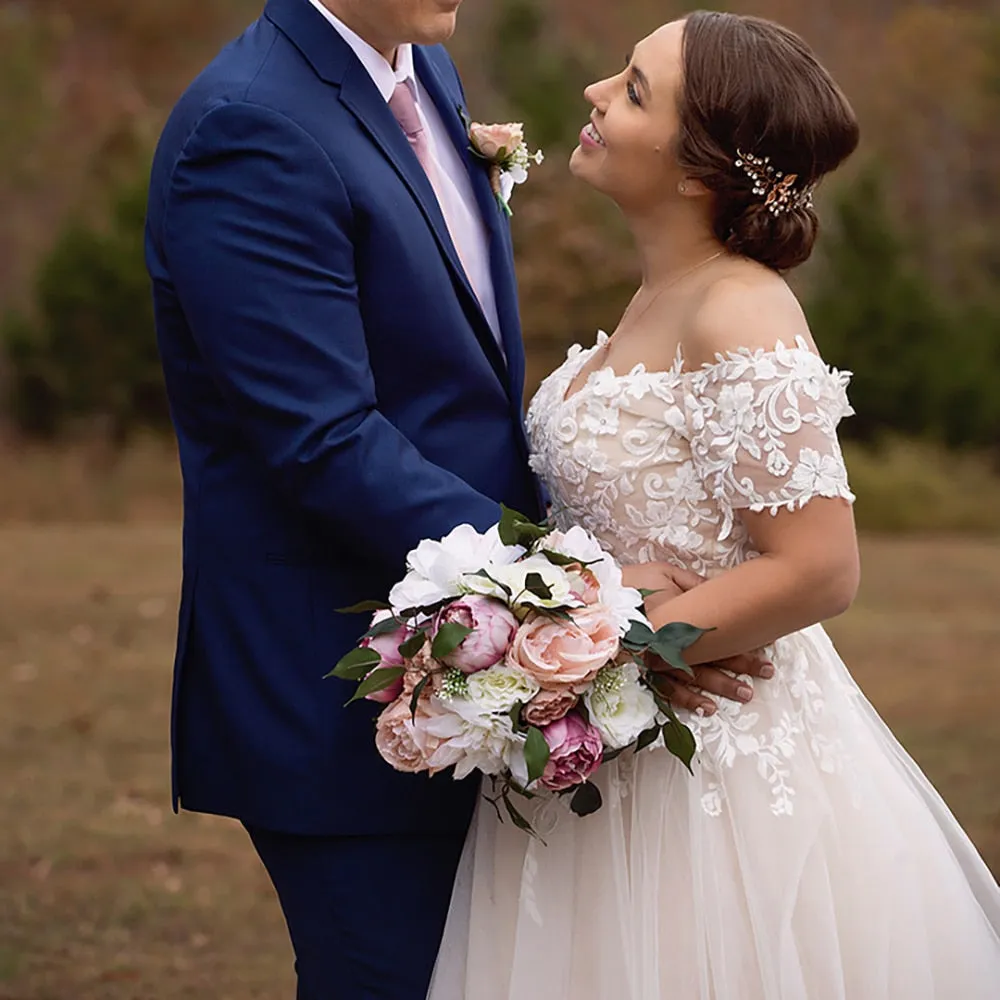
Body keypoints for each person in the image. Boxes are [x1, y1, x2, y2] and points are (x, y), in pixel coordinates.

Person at [144, 1, 769, 995]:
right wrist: (582, 594)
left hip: (488, 670)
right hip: (344, 688)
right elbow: (322, 438)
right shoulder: (249, 127)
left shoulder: (423, 77)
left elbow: (452, 389)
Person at [428, 12, 1000, 999]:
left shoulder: (739, 307)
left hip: (714, 775)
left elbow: (819, 565)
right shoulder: (660, 294)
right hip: (604, 746)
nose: (593, 93)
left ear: (698, 173)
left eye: (635, 90)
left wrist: (605, 641)